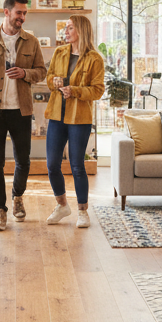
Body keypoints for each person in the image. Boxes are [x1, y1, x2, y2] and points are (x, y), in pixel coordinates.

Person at [0, 0, 47, 231]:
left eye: (25, 13)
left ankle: (17, 196)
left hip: (21, 110)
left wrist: (25, 73)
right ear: (6, 12)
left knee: (23, 161)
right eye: (19, 13)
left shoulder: (31, 41)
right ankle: (0, 210)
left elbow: (41, 71)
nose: (22, 18)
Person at [43, 15, 105, 228]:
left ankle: (82, 211)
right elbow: (49, 78)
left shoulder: (95, 58)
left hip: (79, 118)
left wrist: (75, 91)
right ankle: (62, 205)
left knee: (77, 165)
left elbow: (97, 90)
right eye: (66, 28)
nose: (66, 31)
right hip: (56, 115)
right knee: (52, 164)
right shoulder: (59, 52)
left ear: (81, 30)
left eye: (70, 28)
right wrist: (54, 82)